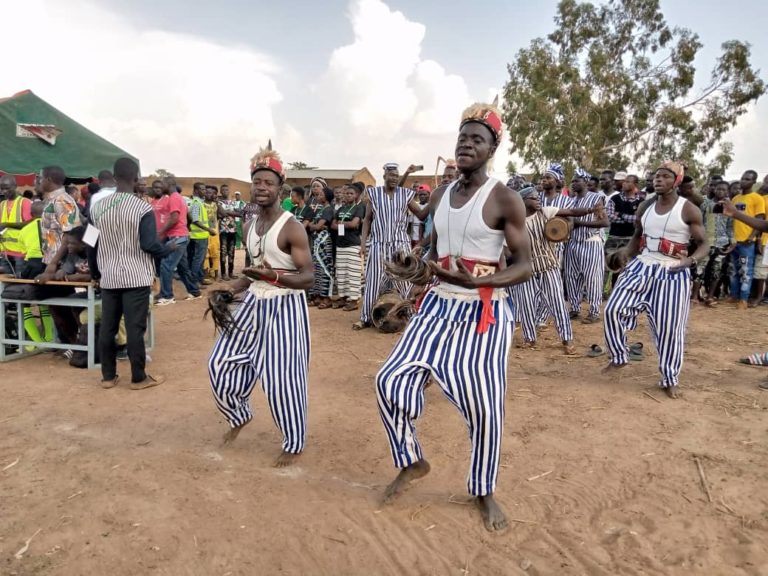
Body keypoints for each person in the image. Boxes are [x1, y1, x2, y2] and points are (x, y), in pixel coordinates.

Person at [375, 103, 532, 532]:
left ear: (492, 149)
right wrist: (413, 265)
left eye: (477, 139)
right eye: (462, 138)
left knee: (485, 406)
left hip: (484, 310)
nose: (466, 145)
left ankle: (483, 490)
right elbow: (432, 252)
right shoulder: (440, 196)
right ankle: (411, 460)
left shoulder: (504, 198)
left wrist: (481, 281)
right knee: (389, 380)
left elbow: (524, 265)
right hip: (438, 303)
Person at [208, 147, 314, 467]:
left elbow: (308, 277)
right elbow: (251, 274)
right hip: (254, 302)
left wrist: (274, 276)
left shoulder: (292, 227)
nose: (262, 187)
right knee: (219, 363)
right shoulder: (249, 225)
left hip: (286, 307)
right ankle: (239, 415)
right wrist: (230, 289)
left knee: (283, 380)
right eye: (257, 182)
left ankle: (293, 441)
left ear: (280, 187)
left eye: (269, 182)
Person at [603, 161, 709, 399]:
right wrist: (624, 253)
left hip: (673, 271)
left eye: (665, 176)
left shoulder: (688, 209)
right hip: (642, 265)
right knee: (612, 309)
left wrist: (690, 260)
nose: (658, 179)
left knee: (670, 329)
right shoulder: (645, 207)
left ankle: (669, 378)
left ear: (676, 181)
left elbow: (704, 244)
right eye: (656, 176)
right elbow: (637, 237)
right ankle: (619, 356)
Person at [88, 158, 171, 390]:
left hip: (109, 276)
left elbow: (90, 244)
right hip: (136, 276)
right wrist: (169, 249)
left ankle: (108, 377)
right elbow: (149, 244)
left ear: (114, 178)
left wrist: (95, 273)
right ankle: (138, 378)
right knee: (135, 328)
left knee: (108, 328)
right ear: (136, 179)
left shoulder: (96, 208)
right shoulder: (142, 208)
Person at [512, 185, 602, 353]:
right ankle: (529, 339)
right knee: (526, 306)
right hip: (526, 271)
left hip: (549, 267)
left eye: (538, 197)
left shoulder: (545, 212)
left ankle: (567, 339)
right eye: (533, 198)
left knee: (558, 304)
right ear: (522, 201)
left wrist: (590, 209)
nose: (538, 200)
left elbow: (571, 212)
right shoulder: (514, 223)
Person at [353, 163, 422, 330]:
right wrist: (363, 243)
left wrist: (436, 204)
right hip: (378, 244)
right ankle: (365, 318)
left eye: (396, 176)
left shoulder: (405, 194)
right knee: (373, 280)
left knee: (404, 281)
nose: (394, 178)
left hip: (400, 245)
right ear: (384, 176)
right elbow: (367, 219)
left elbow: (421, 214)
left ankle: (410, 315)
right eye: (391, 175)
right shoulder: (374, 194)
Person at [35, 165, 83, 344]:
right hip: (50, 261)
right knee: (55, 305)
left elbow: (69, 236)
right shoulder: (51, 200)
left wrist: (54, 264)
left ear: (48, 179)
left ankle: (76, 344)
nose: (38, 182)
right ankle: (71, 344)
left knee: (63, 306)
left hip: (61, 263)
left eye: (40, 178)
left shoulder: (63, 201)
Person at [564, 172, 609, 323]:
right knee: (571, 277)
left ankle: (594, 311)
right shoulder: (570, 201)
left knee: (593, 278)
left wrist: (579, 223)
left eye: (576, 181)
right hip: (573, 242)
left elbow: (604, 222)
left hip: (591, 241)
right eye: (572, 181)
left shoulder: (596, 198)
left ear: (585, 182)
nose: (573, 183)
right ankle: (574, 308)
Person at [155, 177, 200, 305]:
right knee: (182, 267)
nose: (161, 186)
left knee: (166, 265)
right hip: (181, 235)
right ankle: (194, 291)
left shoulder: (174, 198)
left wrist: (161, 232)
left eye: (162, 184)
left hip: (177, 237)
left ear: (169, 184)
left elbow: (174, 218)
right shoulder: (178, 198)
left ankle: (167, 296)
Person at [728, 170, 764, 309]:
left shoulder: (757, 198)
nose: (743, 181)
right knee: (733, 270)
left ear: (754, 182)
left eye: (748, 179)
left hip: (747, 244)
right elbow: (731, 219)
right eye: (743, 178)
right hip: (734, 242)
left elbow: (760, 220)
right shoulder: (735, 199)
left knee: (745, 271)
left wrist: (751, 237)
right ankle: (734, 295)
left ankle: (743, 299)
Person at [696, 181, 734, 304]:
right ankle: (694, 297)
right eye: (718, 189)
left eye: (723, 189)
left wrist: (732, 241)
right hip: (706, 242)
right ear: (714, 190)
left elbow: (730, 226)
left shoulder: (730, 207)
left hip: (722, 243)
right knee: (700, 269)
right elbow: (699, 222)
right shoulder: (705, 204)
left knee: (717, 271)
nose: (720, 191)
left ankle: (710, 296)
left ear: (727, 192)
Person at [331, 183, 365, 311]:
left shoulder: (359, 208)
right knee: (341, 273)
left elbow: (354, 224)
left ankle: (354, 300)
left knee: (353, 273)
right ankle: (343, 297)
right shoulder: (341, 209)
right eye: (347, 193)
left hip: (352, 244)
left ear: (356, 195)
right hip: (340, 244)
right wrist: (346, 224)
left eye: (351, 193)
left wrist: (341, 223)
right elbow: (332, 225)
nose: (348, 195)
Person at [307, 186, 335, 308]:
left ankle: (326, 298)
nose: (318, 196)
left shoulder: (328, 209)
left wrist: (315, 226)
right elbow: (313, 225)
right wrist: (315, 226)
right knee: (317, 269)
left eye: (321, 194)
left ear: (327, 197)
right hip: (317, 242)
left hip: (324, 243)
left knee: (325, 269)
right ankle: (318, 296)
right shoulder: (321, 209)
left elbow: (317, 226)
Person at [0, 175, 33, 275]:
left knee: (20, 280)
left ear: (15, 186)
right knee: (6, 281)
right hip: (5, 252)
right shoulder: (2, 204)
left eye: (7, 188)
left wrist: (7, 224)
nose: (4, 191)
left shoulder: (25, 202)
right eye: (1, 188)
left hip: (21, 253)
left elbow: (30, 224)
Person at [188, 182, 215, 287]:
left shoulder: (199, 202)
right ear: (196, 190)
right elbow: (195, 220)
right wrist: (209, 229)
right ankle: (194, 281)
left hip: (202, 236)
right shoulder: (196, 203)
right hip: (198, 237)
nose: (204, 191)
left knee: (201, 259)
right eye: (202, 189)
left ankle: (200, 278)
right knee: (197, 260)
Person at [218, 184, 240, 280]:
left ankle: (231, 272)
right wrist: (231, 213)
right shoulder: (218, 203)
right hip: (223, 231)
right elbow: (221, 213)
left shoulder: (233, 202)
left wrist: (226, 212)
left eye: (227, 190)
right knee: (223, 252)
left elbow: (239, 214)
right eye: (223, 190)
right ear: (221, 191)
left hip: (232, 230)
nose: (225, 191)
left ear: (229, 191)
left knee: (231, 252)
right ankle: (223, 274)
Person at [203, 185, 223, 283]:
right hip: (204, 231)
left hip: (214, 232)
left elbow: (222, 214)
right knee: (205, 255)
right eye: (207, 192)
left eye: (211, 193)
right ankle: (206, 275)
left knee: (215, 253)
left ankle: (215, 275)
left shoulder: (216, 205)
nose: (208, 194)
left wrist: (217, 202)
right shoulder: (201, 204)